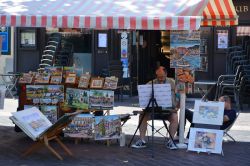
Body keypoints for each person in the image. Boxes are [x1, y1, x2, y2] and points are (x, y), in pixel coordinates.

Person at [132, 66, 179, 150]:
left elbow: (180, 96)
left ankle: (171, 141)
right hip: (153, 111)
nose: (160, 79)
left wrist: (177, 107)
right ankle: (142, 140)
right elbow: (143, 95)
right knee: (142, 116)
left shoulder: (172, 82)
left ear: (166, 74)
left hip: (167, 110)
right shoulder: (151, 83)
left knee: (175, 117)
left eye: (162, 77)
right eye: (158, 77)